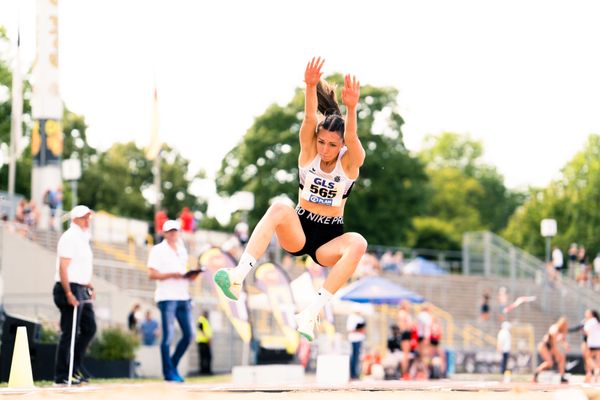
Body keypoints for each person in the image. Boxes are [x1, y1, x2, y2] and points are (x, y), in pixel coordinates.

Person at [213, 57, 367, 342]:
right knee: (280, 207)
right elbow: (310, 119)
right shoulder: (309, 152)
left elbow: (354, 135)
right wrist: (310, 87)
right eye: (322, 142)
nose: (325, 149)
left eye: (333, 145)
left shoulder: (350, 164)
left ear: (342, 145)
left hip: (329, 238)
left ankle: (311, 313)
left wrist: (352, 107)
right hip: (299, 228)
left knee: (359, 243)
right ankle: (237, 277)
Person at [147, 219, 199, 382]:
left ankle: (172, 365)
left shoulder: (181, 249)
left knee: (189, 335)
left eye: (175, 230)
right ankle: (168, 372)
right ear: (164, 233)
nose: (173, 233)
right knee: (168, 336)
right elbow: (151, 274)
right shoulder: (157, 250)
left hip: (182, 296)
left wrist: (191, 276)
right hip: (167, 297)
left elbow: (182, 273)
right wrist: (172, 275)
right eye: (170, 231)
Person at [52, 205, 96, 385]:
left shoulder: (82, 238)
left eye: (88, 217)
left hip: (80, 287)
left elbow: (80, 267)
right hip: (69, 287)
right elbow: (63, 267)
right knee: (69, 333)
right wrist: (68, 292)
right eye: (84, 217)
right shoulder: (70, 237)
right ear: (75, 219)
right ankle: (62, 374)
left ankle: (75, 366)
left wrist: (88, 284)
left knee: (89, 328)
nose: (87, 220)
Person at [533, 317, 569, 383]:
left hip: (550, 348)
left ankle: (562, 377)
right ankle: (536, 372)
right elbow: (553, 345)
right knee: (550, 363)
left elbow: (562, 340)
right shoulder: (554, 329)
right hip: (544, 346)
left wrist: (565, 345)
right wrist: (556, 354)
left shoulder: (561, 331)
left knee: (561, 358)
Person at [397, 300, 414, 379]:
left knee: (406, 355)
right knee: (405, 355)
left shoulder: (404, 313)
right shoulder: (402, 313)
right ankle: (404, 373)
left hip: (407, 333)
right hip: (405, 333)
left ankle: (405, 372)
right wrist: (408, 326)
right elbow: (401, 326)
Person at [347, 310, 366, 380]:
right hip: (354, 340)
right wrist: (358, 330)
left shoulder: (360, 318)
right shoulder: (351, 317)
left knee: (357, 357)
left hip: (359, 339)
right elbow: (350, 329)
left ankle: (356, 373)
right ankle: (353, 374)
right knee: (354, 357)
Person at [196, 310, 213, 375]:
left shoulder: (205, 321)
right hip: (202, 341)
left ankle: (206, 371)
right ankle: (203, 371)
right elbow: (200, 329)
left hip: (205, 341)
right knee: (204, 357)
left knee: (207, 357)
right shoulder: (202, 320)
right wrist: (207, 338)